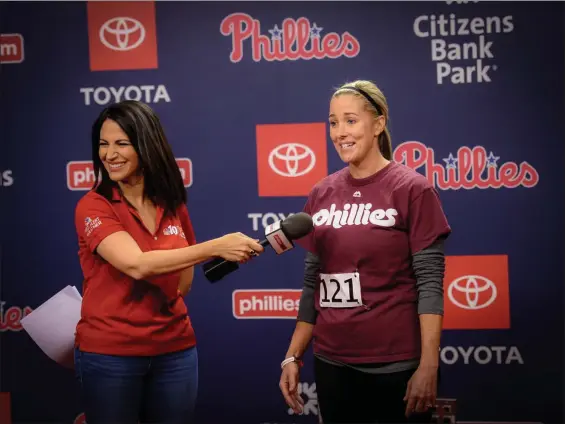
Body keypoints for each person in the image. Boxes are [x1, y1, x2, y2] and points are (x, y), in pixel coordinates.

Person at [73, 100, 263, 424]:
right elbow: (137, 264)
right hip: (111, 354)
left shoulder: (171, 201)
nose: (109, 154)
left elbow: (182, 283)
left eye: (122, 143)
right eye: (103, 144)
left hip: (175, 351)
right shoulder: (94, 205)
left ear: (146, 145)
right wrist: (217, 246)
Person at [278, 80, 451, 423]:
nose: (340, 132)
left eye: (351, 120)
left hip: (396, 364)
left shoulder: (412, 188)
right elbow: (314, 281)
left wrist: (428, 365)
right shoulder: (321, 192)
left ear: (379, 123)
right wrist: (293, 356)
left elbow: (430, 283)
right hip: (332, 361)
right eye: (333, 122)